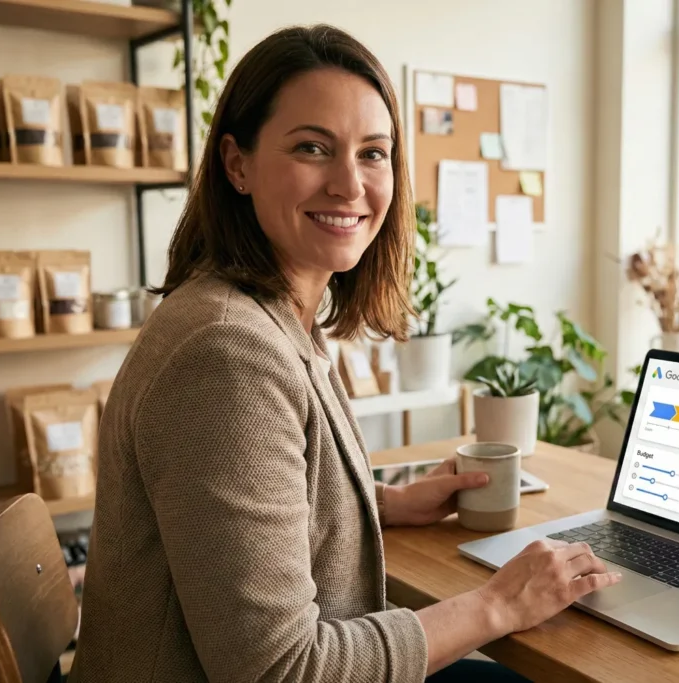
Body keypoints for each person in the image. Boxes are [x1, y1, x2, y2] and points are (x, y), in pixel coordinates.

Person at [69, 25, 620, 683]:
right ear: (236, 163)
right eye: (312, 148)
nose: (349, 184)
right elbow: (280, 670)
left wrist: (385, 501)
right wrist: (500, 600)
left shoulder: (268, 313)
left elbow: (244, 507)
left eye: (374, 153)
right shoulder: (225, 355)